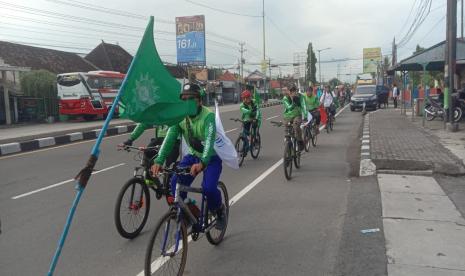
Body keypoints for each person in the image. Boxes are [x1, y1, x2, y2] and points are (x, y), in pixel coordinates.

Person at [151, 83, 226, 230]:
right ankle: (190, 212)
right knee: (175, 184)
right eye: (183, 99)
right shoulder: (181, 118)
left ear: (199, 100)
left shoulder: (208, 116)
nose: (186, 102)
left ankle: (219, 211)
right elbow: (170, 138)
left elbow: (210, 141)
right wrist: (159, 160)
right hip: (193, 156)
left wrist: (203, 163)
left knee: (209, 189)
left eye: (190, 98)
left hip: (210, 157)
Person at [282, 86, 304, 150]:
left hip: (297, 115)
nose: (292, 93)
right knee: (287, 130)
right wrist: (293, 103)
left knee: (296, 126)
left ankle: (300, 141)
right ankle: (288, 148)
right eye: (291, 91)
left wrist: (305, 115)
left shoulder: (299, 97)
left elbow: (303, 106)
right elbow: (288, 108)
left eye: (294, 91)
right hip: (288, 116)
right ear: (289, 92)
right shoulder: (285, 98)